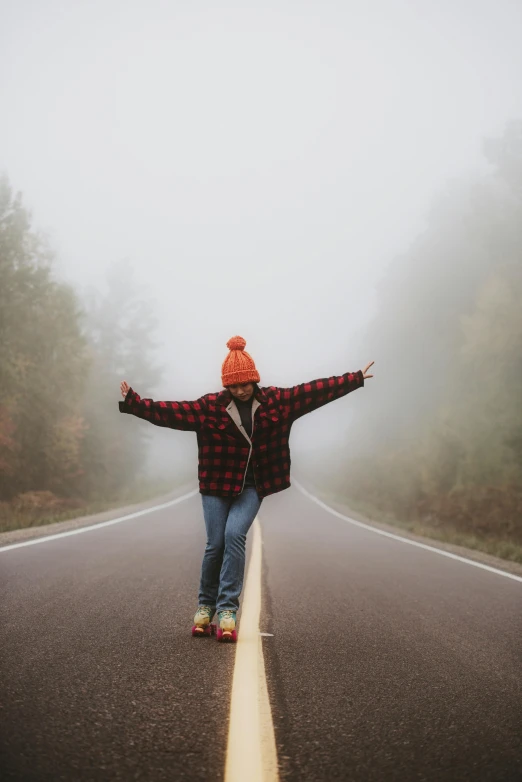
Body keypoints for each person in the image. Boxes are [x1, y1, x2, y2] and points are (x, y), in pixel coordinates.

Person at [119, 336, 374, 641]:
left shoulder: (277, 403)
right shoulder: (209, 408)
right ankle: (205, 606)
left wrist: (354, 379)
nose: (240, 390)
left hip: (253, 486)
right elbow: (171, 412)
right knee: (215, 544)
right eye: (234, 385)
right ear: (226, 385)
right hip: (216, 485)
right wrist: (135, 404)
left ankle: (227, 609)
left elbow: (313, 392)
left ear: (255, 380)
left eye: (245, 384)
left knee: (233, 535)